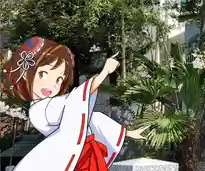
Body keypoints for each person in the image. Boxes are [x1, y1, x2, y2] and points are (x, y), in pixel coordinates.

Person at [1, 37, 148, 171]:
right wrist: (104, 73)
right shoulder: (39, 110)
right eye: (43, 74)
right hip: (65, 158)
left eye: (59, 79)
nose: (51, 84)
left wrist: (127, 132)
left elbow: (90, 116)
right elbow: (77, 100)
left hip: (80, 155)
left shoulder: (55, 103)